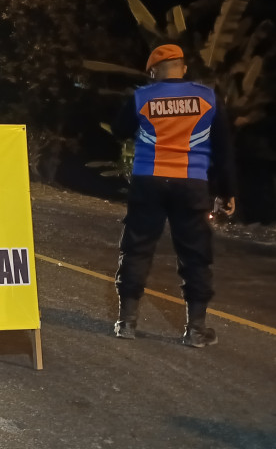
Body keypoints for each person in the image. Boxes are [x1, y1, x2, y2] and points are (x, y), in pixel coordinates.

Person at [109, 44, 237, 348]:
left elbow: (119, 130)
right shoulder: (208, 98)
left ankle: (126, 322)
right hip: (192, 183)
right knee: (195, 255)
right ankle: (196, 330)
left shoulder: (141, 96)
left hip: (148, 181)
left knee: (137, 247)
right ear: (183, 68)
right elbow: (224, 150)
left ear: (154, 71)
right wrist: (227, 192)